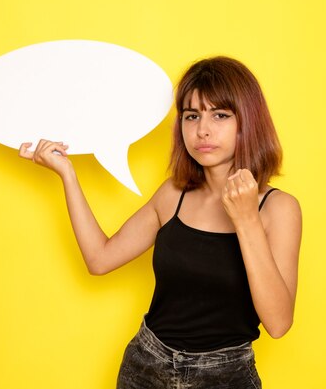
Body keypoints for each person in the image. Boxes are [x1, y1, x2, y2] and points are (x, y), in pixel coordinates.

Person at [18, 56, 302, 389]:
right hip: (146, 368)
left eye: (220, 115)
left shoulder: (278, 208)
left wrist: (246, 220)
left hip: (225, 377)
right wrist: (67, 174)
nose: (203, 130)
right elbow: (99, 258)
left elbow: (278, 323)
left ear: (248, 123)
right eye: (191, 115)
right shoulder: (173, 194)